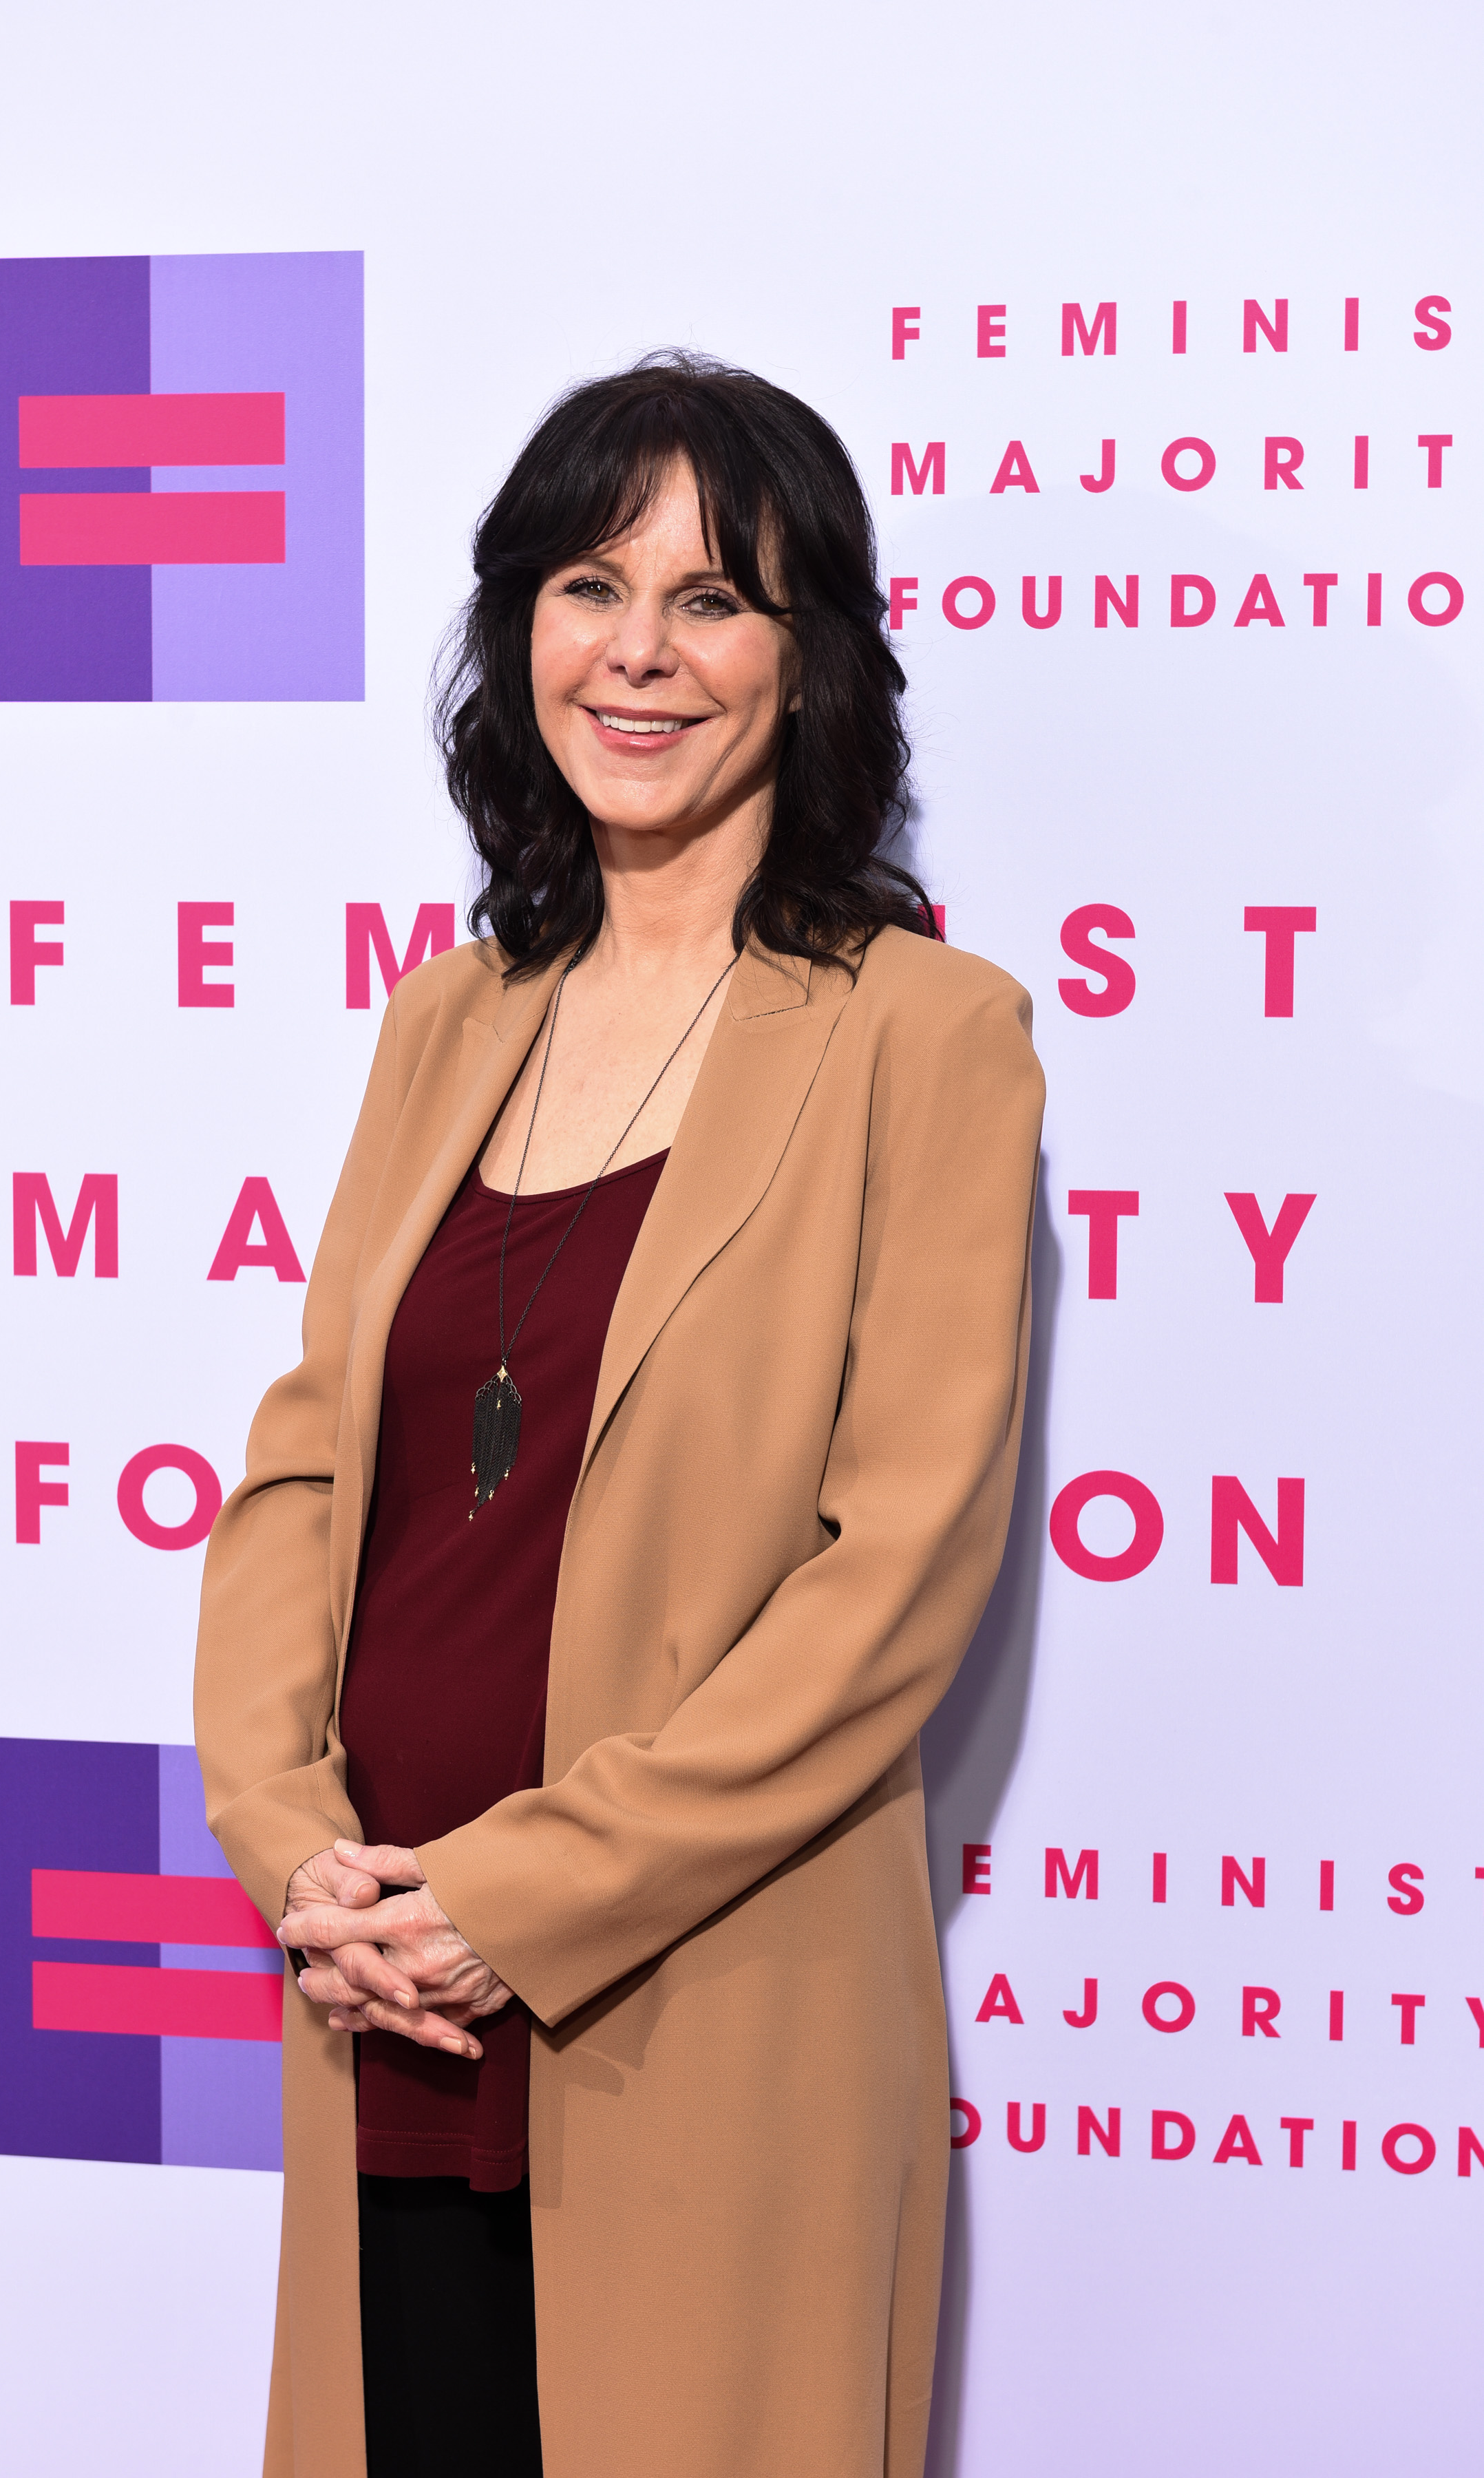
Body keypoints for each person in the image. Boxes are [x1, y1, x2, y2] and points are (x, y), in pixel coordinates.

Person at [194, 351, 1043, 2478]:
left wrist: (527, 1897)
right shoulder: (449, 1013)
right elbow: (308, 1461)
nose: (639, 655)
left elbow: (895, 1580)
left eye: (714, 598)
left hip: (692, 2006)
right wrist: (307, 1860)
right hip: (379, 1997)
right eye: (588, 585)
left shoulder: (925, 1034)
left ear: (810, 657)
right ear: (516, 632)